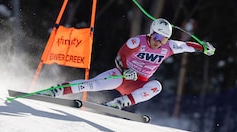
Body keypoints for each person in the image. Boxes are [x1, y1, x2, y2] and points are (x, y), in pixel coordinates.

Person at [39, 18, 215, 110]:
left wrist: (203, 47)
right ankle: (57, 90)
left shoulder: (168, 46)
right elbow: (120, 57)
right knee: (92, 85)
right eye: (157, 37)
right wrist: (124, 70)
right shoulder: (137, 42)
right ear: (151, 33)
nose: (159, 42)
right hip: (121, 76)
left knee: (157, 86)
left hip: (139, 84)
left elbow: (186, 46)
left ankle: (120, 103)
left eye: (163, 39)